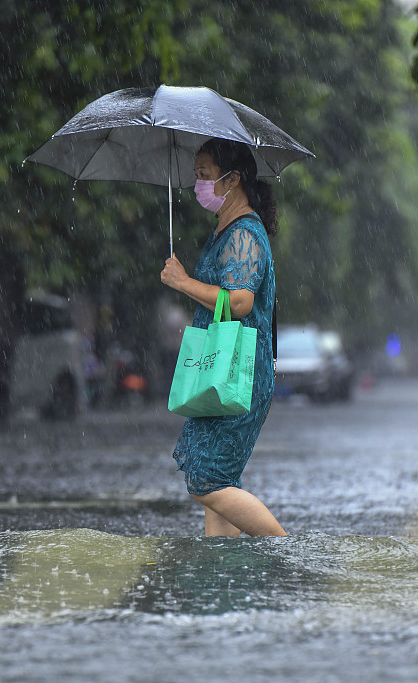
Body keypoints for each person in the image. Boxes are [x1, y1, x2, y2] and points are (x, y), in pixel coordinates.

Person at [160, 138, 287, 538]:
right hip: (225, 369)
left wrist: (183, 283)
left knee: (208, 480)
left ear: (232, 179)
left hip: (239, 372)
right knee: (218, 479)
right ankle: (221, 572)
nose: (196, 184)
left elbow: (241, 302)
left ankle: (284, 550)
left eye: (203, 175)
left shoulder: (244, 233)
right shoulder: (226, 230)